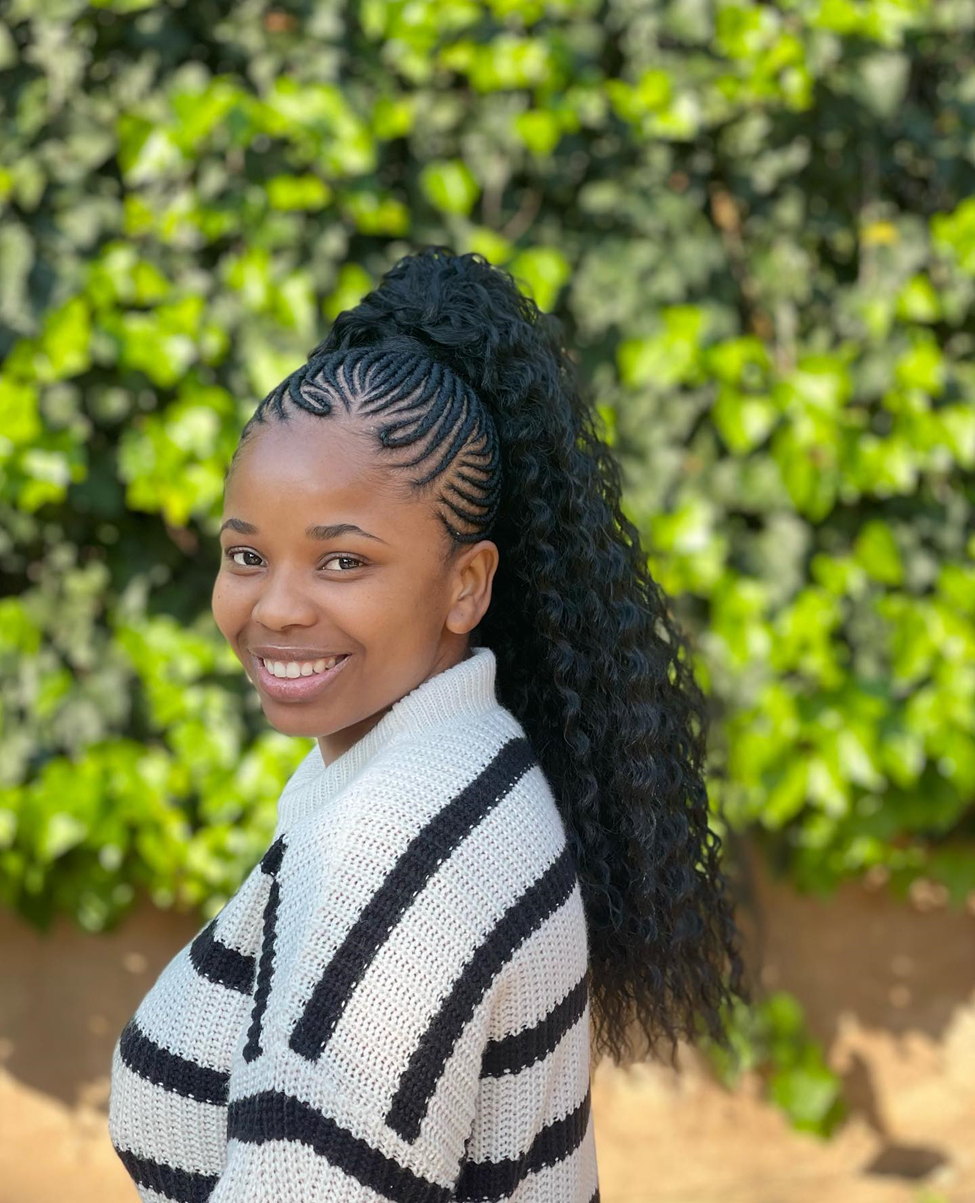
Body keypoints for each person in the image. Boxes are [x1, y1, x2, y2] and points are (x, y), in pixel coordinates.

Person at [108, 246, 748, 1201]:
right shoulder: (453, 774)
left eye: (341, 563)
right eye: (247, 553)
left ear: (466, 584)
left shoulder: (396, 840)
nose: (275, 607)